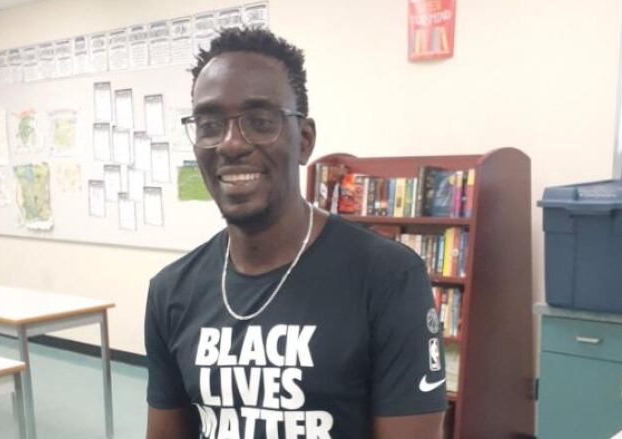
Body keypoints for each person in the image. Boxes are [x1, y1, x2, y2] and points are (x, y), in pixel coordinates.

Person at [145, 27, 447, 439]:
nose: (231, 143)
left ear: (304, 141)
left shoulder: (387, 278)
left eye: (260, 121)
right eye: (210, 123)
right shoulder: (171, 291)